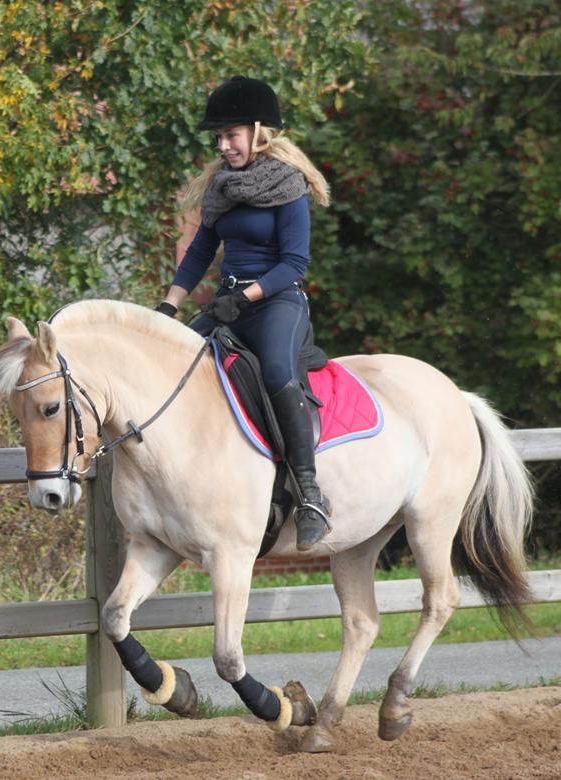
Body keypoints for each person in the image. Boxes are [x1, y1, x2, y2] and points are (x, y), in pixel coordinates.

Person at [155, 75, 332, 551]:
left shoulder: (289, 186)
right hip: (228, 303)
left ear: (258, 131)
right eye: (219, 137)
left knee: (276, 371)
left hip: (277, 302)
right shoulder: (221, 187)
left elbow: (294, 263)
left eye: (231, 134)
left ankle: (311, 493)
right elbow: (197, 254)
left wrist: (245, 298)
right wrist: (168, 306)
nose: (223, 144)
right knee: (179, 366)